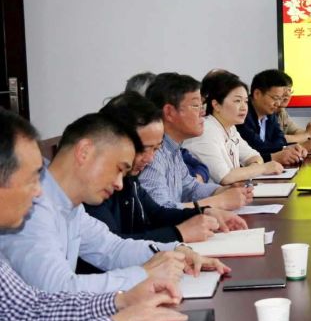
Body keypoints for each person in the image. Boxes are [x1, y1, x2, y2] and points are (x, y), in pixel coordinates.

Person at [0, 109, 190, 321]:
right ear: (85, 152)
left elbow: (27, 309)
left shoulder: (68, 207)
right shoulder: (35, 214)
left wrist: (120, 301)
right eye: (31, 179)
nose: (39, 191)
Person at [0, 112, 231, 293]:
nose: (120, 184)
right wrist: (145, 274)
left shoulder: (70, 205)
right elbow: (58, 290)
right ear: (84, 152)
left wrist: (175, 252)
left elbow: (111, 248)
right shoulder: (31, 207)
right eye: (119, 169)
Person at [87, 91, 247, 244]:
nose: (150, 159)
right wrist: (180, 233)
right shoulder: (94, 187)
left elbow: (157, 213)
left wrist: (203, 212)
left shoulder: (130, 178)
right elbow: (113, 248)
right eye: (144, 149)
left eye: (156, 149)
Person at [140, 72, 253, 210]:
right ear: (169, 112)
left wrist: (223, 190)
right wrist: (220, 201)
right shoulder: (153, 154)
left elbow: (191, 188)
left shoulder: (173, 148)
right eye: (195, 106)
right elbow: (161, 210)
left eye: (202, 105)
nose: (203, 112)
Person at [184, 71, 284, 184]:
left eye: (246, 101)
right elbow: (225, 177)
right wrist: (262, 168)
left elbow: (255, 157)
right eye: (237, 101)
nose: (244, 107)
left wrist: (252, 168)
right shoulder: (205, 130)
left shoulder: (230, 128)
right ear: (216, 105)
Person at [236, 69, 309, 164]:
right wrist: (277, 154)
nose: (278, 103)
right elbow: (256, 148)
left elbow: (279, 139)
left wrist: (289, 148)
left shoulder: (270, 114)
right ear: (257, 94)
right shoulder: (242, 115)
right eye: (275, 98)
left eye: (280, 98)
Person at [278, 71, 311, 146]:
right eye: (284, 89)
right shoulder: (267, 112)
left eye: (289, 90)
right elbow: (277, 140)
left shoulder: (282, 111)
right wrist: (307, 135)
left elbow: (295, 131)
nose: (288, 94)